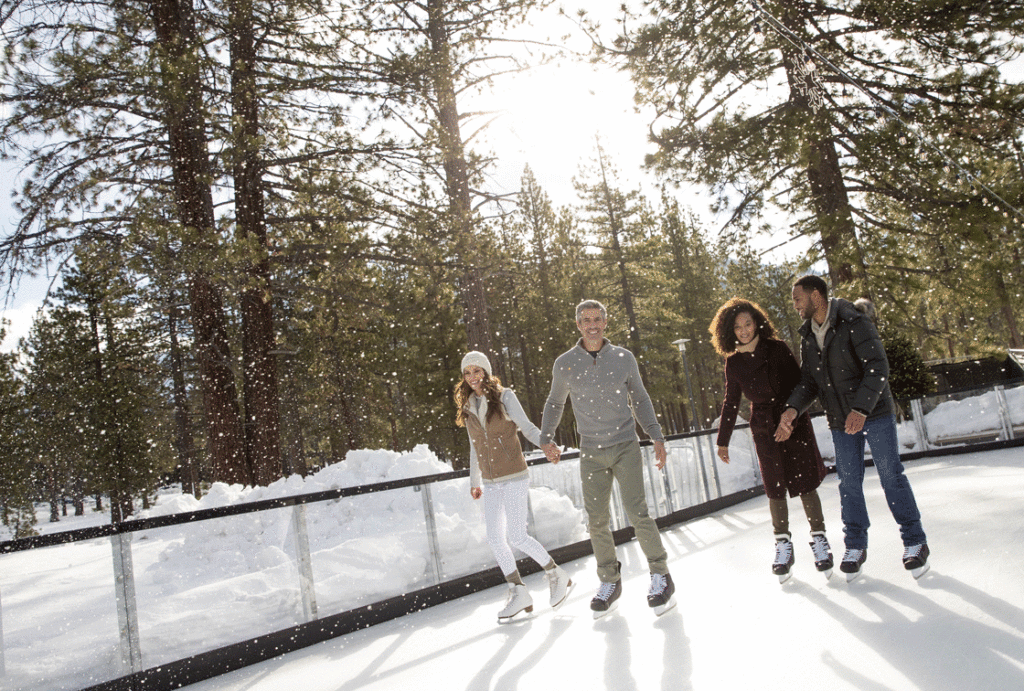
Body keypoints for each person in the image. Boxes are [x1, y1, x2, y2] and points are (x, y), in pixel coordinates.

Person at [775, 275, 930, 581]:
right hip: (839, 418)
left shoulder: (852, 320)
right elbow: (809, 382)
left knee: (890, 475)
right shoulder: (808, 336)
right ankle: (855, 545)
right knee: (848, 483)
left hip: (874, 413)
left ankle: (915, 542)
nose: (794, 306)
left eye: (797, 299)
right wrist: (792, 408)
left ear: (816, 296)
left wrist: (861, 408)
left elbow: (877, 366)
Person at [539, 300, 676, 618]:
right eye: (587, 320)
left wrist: (655, 434)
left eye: (598, 319)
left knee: (637, 512)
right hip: (591, 452)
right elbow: (555, 403)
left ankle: (660, 575)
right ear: (578, 324)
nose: (593, 325)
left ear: (605, 322)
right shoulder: (565, 363)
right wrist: (547, 437)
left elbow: (640, 398)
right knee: (596, 520)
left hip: (626, 445)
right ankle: (610, 581)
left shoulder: (623, 358)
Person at [710, 298, 832, 582]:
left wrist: (791, 417)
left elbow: (802, 384)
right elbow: (730, 402)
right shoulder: (734, 363)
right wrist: (723, 440)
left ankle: (819, 539)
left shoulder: (776, 349)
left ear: (757, 323)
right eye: (737, 326)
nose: (743, 330)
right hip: (763, 426)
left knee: (804, 481)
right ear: (729, 330)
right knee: (774, 485)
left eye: (748, 324)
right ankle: (782, 544)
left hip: (793, 418)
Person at [455, 351, 573, 622]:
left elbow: (527, 427)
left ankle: (555, 573)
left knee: (517, 535)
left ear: (486, 372)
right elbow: (475, 446)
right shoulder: (468, 405)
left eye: (477, 371)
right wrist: (475, 481)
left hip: (515, 476)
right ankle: (518, 590)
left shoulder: (505, 397)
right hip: (490, 482)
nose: (473, 377)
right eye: (467, 373)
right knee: (496, 538)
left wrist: (546, 445)